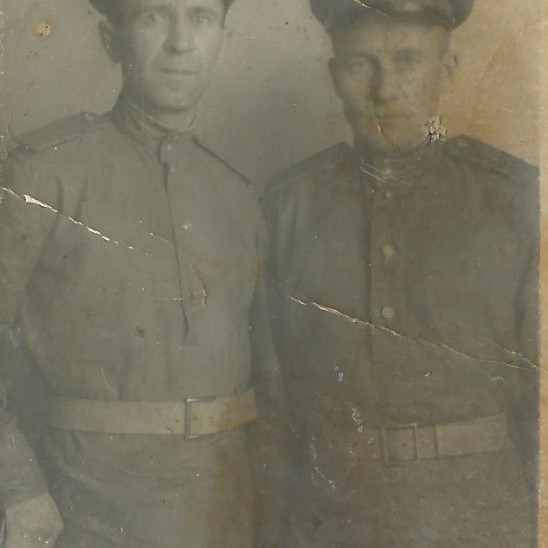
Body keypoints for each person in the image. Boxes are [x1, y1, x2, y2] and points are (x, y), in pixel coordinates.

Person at [0, 1, 281, 546]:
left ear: (223, 39)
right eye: (154, 16)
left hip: (222, 510)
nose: (180, 42)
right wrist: (18, 487)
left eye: (201, 18)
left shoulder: (239, 196)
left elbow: (270, 384)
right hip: (85, 506)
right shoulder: (43, 173)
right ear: (111, 39)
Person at [263, 0, 539, 546]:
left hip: (478, 519)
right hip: (331, 522)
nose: (385, 89)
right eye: (360, 63)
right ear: (334, 75)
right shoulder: (289, 206)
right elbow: (272, 409)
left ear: (448, 70)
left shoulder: (514, 200)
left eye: (408, 61)